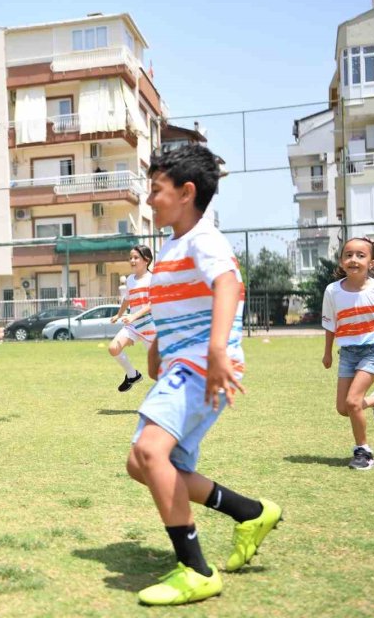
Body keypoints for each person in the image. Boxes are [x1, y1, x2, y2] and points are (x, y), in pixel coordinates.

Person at [125, 145, 281, 606]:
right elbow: (177, 306)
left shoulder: (205, 239)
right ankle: (250, 512)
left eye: (156, 190)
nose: (149, 199)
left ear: (186, 192)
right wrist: (156, 348)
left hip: (202, 365)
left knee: (149, 452)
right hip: (181, 363)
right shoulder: (174, 245)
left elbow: (228, 284)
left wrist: (216, 351)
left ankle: (195, 570)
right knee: (144, 466)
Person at [321, 236, 374, 470]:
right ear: (341, 262)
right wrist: (327, 353)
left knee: (352, 402)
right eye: (348, 255)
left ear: (371, 263)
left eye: (361, 255)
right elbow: (330, 324)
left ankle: (364, 452)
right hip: (348, 353)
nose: (354, 259)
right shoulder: (332, 291)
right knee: (344, 408)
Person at [108, 245, 156, 392]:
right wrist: (119, 314)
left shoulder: (153, 279)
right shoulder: (130, 279)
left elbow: (152, 303)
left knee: (156, 370)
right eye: (130, 258)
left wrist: (134, 315)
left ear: (146, 260)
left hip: (150, 327)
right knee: (113, 348)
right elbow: (127, 299)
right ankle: (132, 375)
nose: (132, 260)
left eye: (136, 257)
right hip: (134, 325)